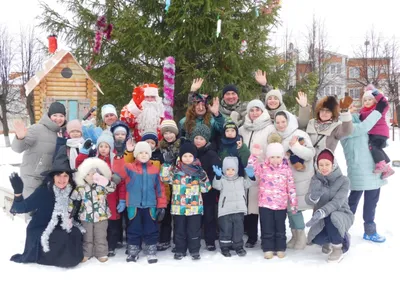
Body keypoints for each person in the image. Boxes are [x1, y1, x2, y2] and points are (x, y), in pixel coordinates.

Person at [8, 150, 84, 268]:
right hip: (41, 228)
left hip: (63, 226)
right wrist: (18, 192)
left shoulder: (73, 192)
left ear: (69, 178)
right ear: (52, 177)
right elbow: (20, 208)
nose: (62, 179)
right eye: (58, 175)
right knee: (60, 236)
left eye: (65, 175)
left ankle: (71, 258)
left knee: (75, 232)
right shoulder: (44, 191)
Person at [340, 100, 388, 242]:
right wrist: (377, 112)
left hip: (373, 169)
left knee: (371, 203)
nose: (353, 109)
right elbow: (362, 128)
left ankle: (370, 231)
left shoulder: (365, 120)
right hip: (358, 170)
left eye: (354, 106)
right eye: (348, 108)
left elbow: (374, 135)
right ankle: (341, 229)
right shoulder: (343, 127)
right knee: (352, 203)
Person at [113, 141, 167, 264]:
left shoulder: (154, 169)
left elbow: (160, 189)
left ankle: (151, 249)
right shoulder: (130, 168)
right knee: (134, 228)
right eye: (140, 152)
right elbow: (118, 171)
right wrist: (122, 155)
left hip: (150, 205)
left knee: (151, 228)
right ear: (136, 155)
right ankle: (133, 249)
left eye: (146, 153)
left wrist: (162, 205)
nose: (143, 155)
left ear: (150, 154)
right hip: (134, 204)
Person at [248, 135, 298, 259]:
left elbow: (291, 186)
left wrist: (293, 202)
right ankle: (268, 248)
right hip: (265, 204)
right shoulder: (263, 167)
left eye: (278, 157)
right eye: (272, 157)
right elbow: (251, 170)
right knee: (267, 227)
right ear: (268, 157)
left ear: (281, 157)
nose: (275, 159)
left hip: (281, 205)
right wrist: (253, 156)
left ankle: (280, 247)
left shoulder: (286, 170)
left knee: (280, 227)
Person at [160, 142, 211, 260]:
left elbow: (206, 189)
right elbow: (164, 178)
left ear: (194, 157)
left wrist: (203, 178)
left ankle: (194, 250)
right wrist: (167, 164)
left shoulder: (199, 171)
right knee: (179, 230)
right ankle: (180, 249)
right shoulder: (175, 171)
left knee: (194, 230)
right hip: (179, 207)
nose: (187, 159)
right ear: (180, 157)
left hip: (194, 208)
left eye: (190, 156)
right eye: (185, 156)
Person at [273, 111, 315, 250]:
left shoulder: (299, 134)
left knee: (295, 209)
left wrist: (295, 147)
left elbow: (310, 153)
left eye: (283, 122)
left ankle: (301, 236)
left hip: (300, 178)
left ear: (289, 121)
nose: (280, 125)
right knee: (289, 209)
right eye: (277, 122)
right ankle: (294, 235)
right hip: (284, 180)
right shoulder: (277, 136)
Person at [305, 149, 354, 263]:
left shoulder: (343, 180)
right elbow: (308, 199)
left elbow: (337, 202)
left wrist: (322, 211)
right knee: (316, 239)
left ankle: (338, 247)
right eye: (321, 165)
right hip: (321, 217)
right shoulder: (315, 179)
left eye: (327, 164)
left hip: (341, 214)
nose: (324, 167)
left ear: (333, 164)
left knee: (332, 216)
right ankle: (332, 237)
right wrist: (313, 197)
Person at [238, 99, 275, 248]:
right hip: (245, 170)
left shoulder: (270, 128)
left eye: (257, 110)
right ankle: (251, 236)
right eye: (251, 110)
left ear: (262, 111)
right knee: (248, 204)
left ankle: (266, 235)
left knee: (260, 204)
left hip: (262, 171)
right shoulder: (242, 129)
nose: (254, 113)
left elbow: (273, 148)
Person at [12, 102, 67, 198]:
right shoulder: (37, 129)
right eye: (55, 115)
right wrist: (20, 138)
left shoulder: (64, 133)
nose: (58, 119)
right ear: (49, 115)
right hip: (32, 180)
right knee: (33, 211)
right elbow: (17, 148)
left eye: (61, 116)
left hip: (51, 181)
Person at [70, 157, 116, 263]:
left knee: (101, 235)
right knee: (87, 236)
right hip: (86, 216)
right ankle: (87, 253)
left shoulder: (102, 187)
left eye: (94, 174)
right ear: (83, 176)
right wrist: (70, 212)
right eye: (88, 174)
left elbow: (112, 188)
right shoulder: (80, 188)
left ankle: (101, 253)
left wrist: (105, 182)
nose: (91, 176)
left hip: (101, 216)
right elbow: (73, 199)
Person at [212, 157, 256, 257]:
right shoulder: (222, 180)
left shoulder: (241, 180)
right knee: (226, 229)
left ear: (236, 169)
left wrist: (251, 176)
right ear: (223, 170)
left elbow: (249, 184)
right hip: (225, 210)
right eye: (227, 169)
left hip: (239, 209)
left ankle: (238, 246)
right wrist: (218, 177)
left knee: (238, 230)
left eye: (233, 169)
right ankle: (225, 247)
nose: (230, 172)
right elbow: (216, 186)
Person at [359, 86, 394, 177]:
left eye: (370, 99)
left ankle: (381, 165)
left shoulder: (378, 108)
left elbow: (384, 102)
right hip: (373, 134)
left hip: (380, 132)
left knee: (373, 147)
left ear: (375, 100)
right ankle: (387, 168)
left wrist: (374, 91)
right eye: (365, 100)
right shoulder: (363, 112)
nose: (367, 102)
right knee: (377, 148)